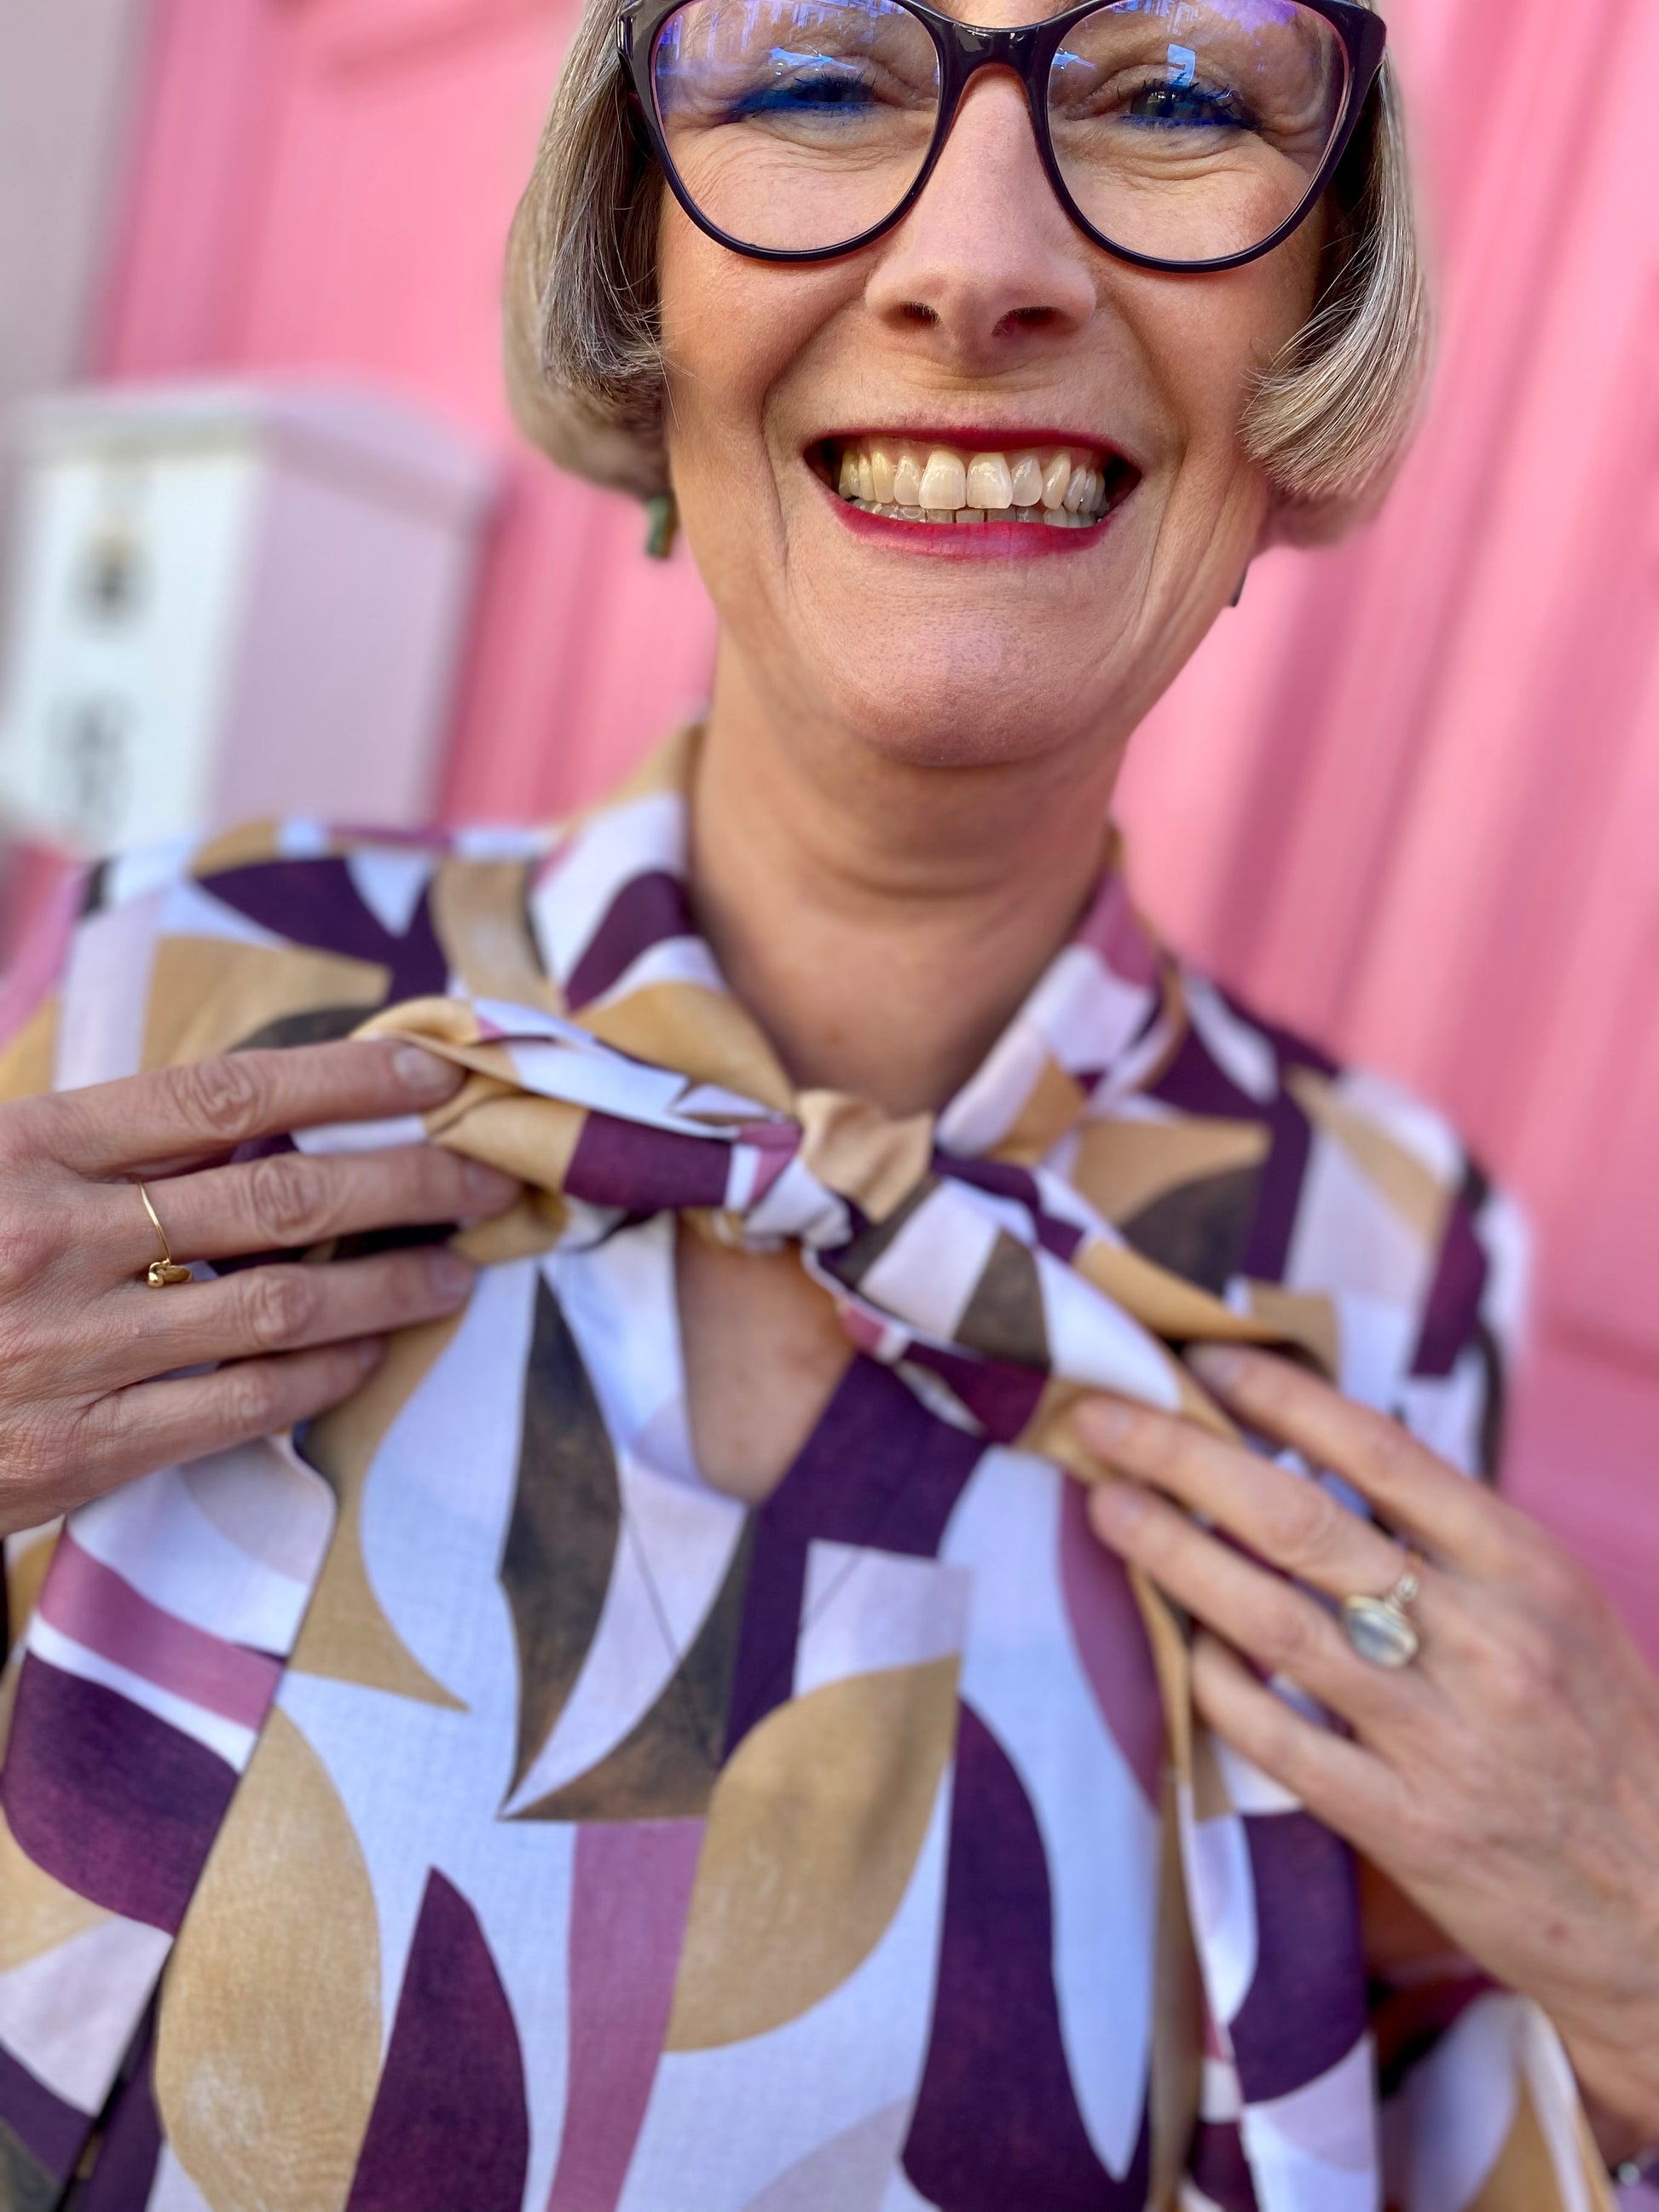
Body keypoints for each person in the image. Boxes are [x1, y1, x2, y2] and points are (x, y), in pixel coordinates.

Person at [0, 0, 1655, 2203]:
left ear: (1310, 330)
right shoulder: (168, 980)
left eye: (1172, 98)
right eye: (811, 74)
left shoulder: (1393, 1253)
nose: (976, 268)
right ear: (643, 276)